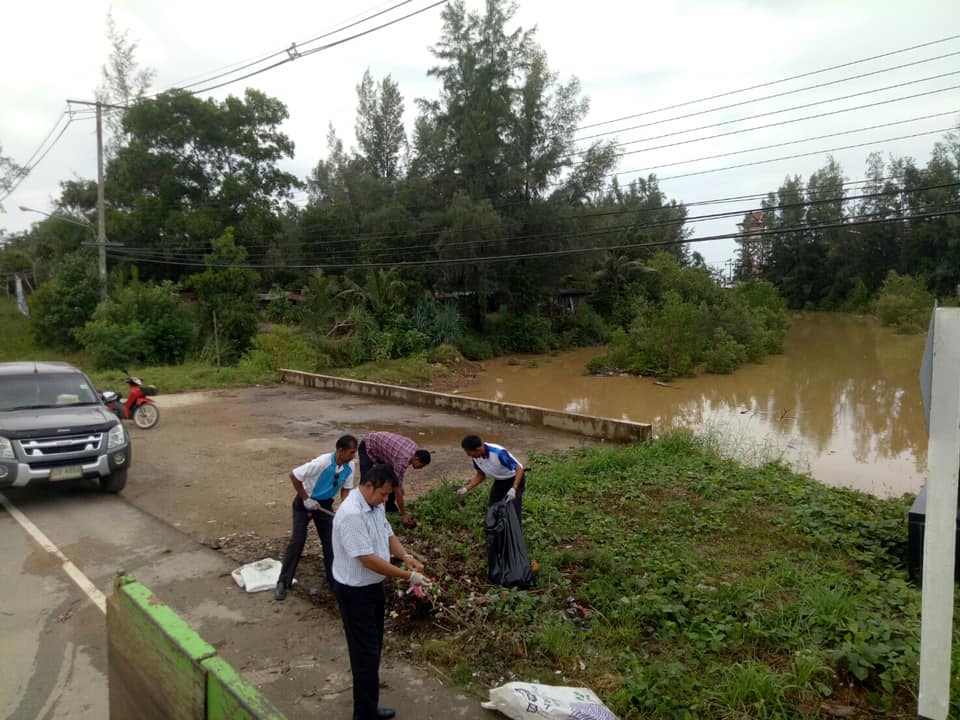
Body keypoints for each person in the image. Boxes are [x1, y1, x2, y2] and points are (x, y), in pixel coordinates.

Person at [332, 463, 431, 720]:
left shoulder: (374, 505)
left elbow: (388, 535)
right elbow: (368, 559)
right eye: (383, 494)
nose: (386, 500)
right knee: (365, 654)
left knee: (373, 648)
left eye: (388, 495)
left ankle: (368, 708)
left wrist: (405, 556)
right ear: (368, 485)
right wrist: (408, 575)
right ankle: (364, 715)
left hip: (373, 586)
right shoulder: (352, 513)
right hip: (355, 592)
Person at [275, 434, 358, 601]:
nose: (353, 456)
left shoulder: (350, 465)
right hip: (305, 502)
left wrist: (345, 508)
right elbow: (294, 475)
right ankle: (283, 582)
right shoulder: (323, 462)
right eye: (351, 452)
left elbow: (346, 489)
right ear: (340, 451)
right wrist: (306, 499)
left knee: (330, 542)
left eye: (354, 452)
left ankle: (333, 581)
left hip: (324, 505)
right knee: (298, 541)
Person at [357, 431, 431, 528]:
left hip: (382, 452)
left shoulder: (413, 447)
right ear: (416, 458)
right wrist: (404, 514)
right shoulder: (402, 460)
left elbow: (396, 478)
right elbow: (397, 489)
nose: (420, 468)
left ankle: (390, 509)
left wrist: (400, 485)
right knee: (367, 482)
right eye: (421, 466)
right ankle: (361, 510)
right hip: (368, 445)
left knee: (390, 481)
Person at [457, 434, 526, 523]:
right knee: (493, 508)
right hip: (500, 481)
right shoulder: (476, 457)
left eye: (471, 454)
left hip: (514, 479)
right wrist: (466, 489)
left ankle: (515, 534)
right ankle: (496, 532)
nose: (471, 457)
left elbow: (519, 470)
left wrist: (514, 488)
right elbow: (481, 475)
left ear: (478, 449)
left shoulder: (498, 453)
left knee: (513, 509)